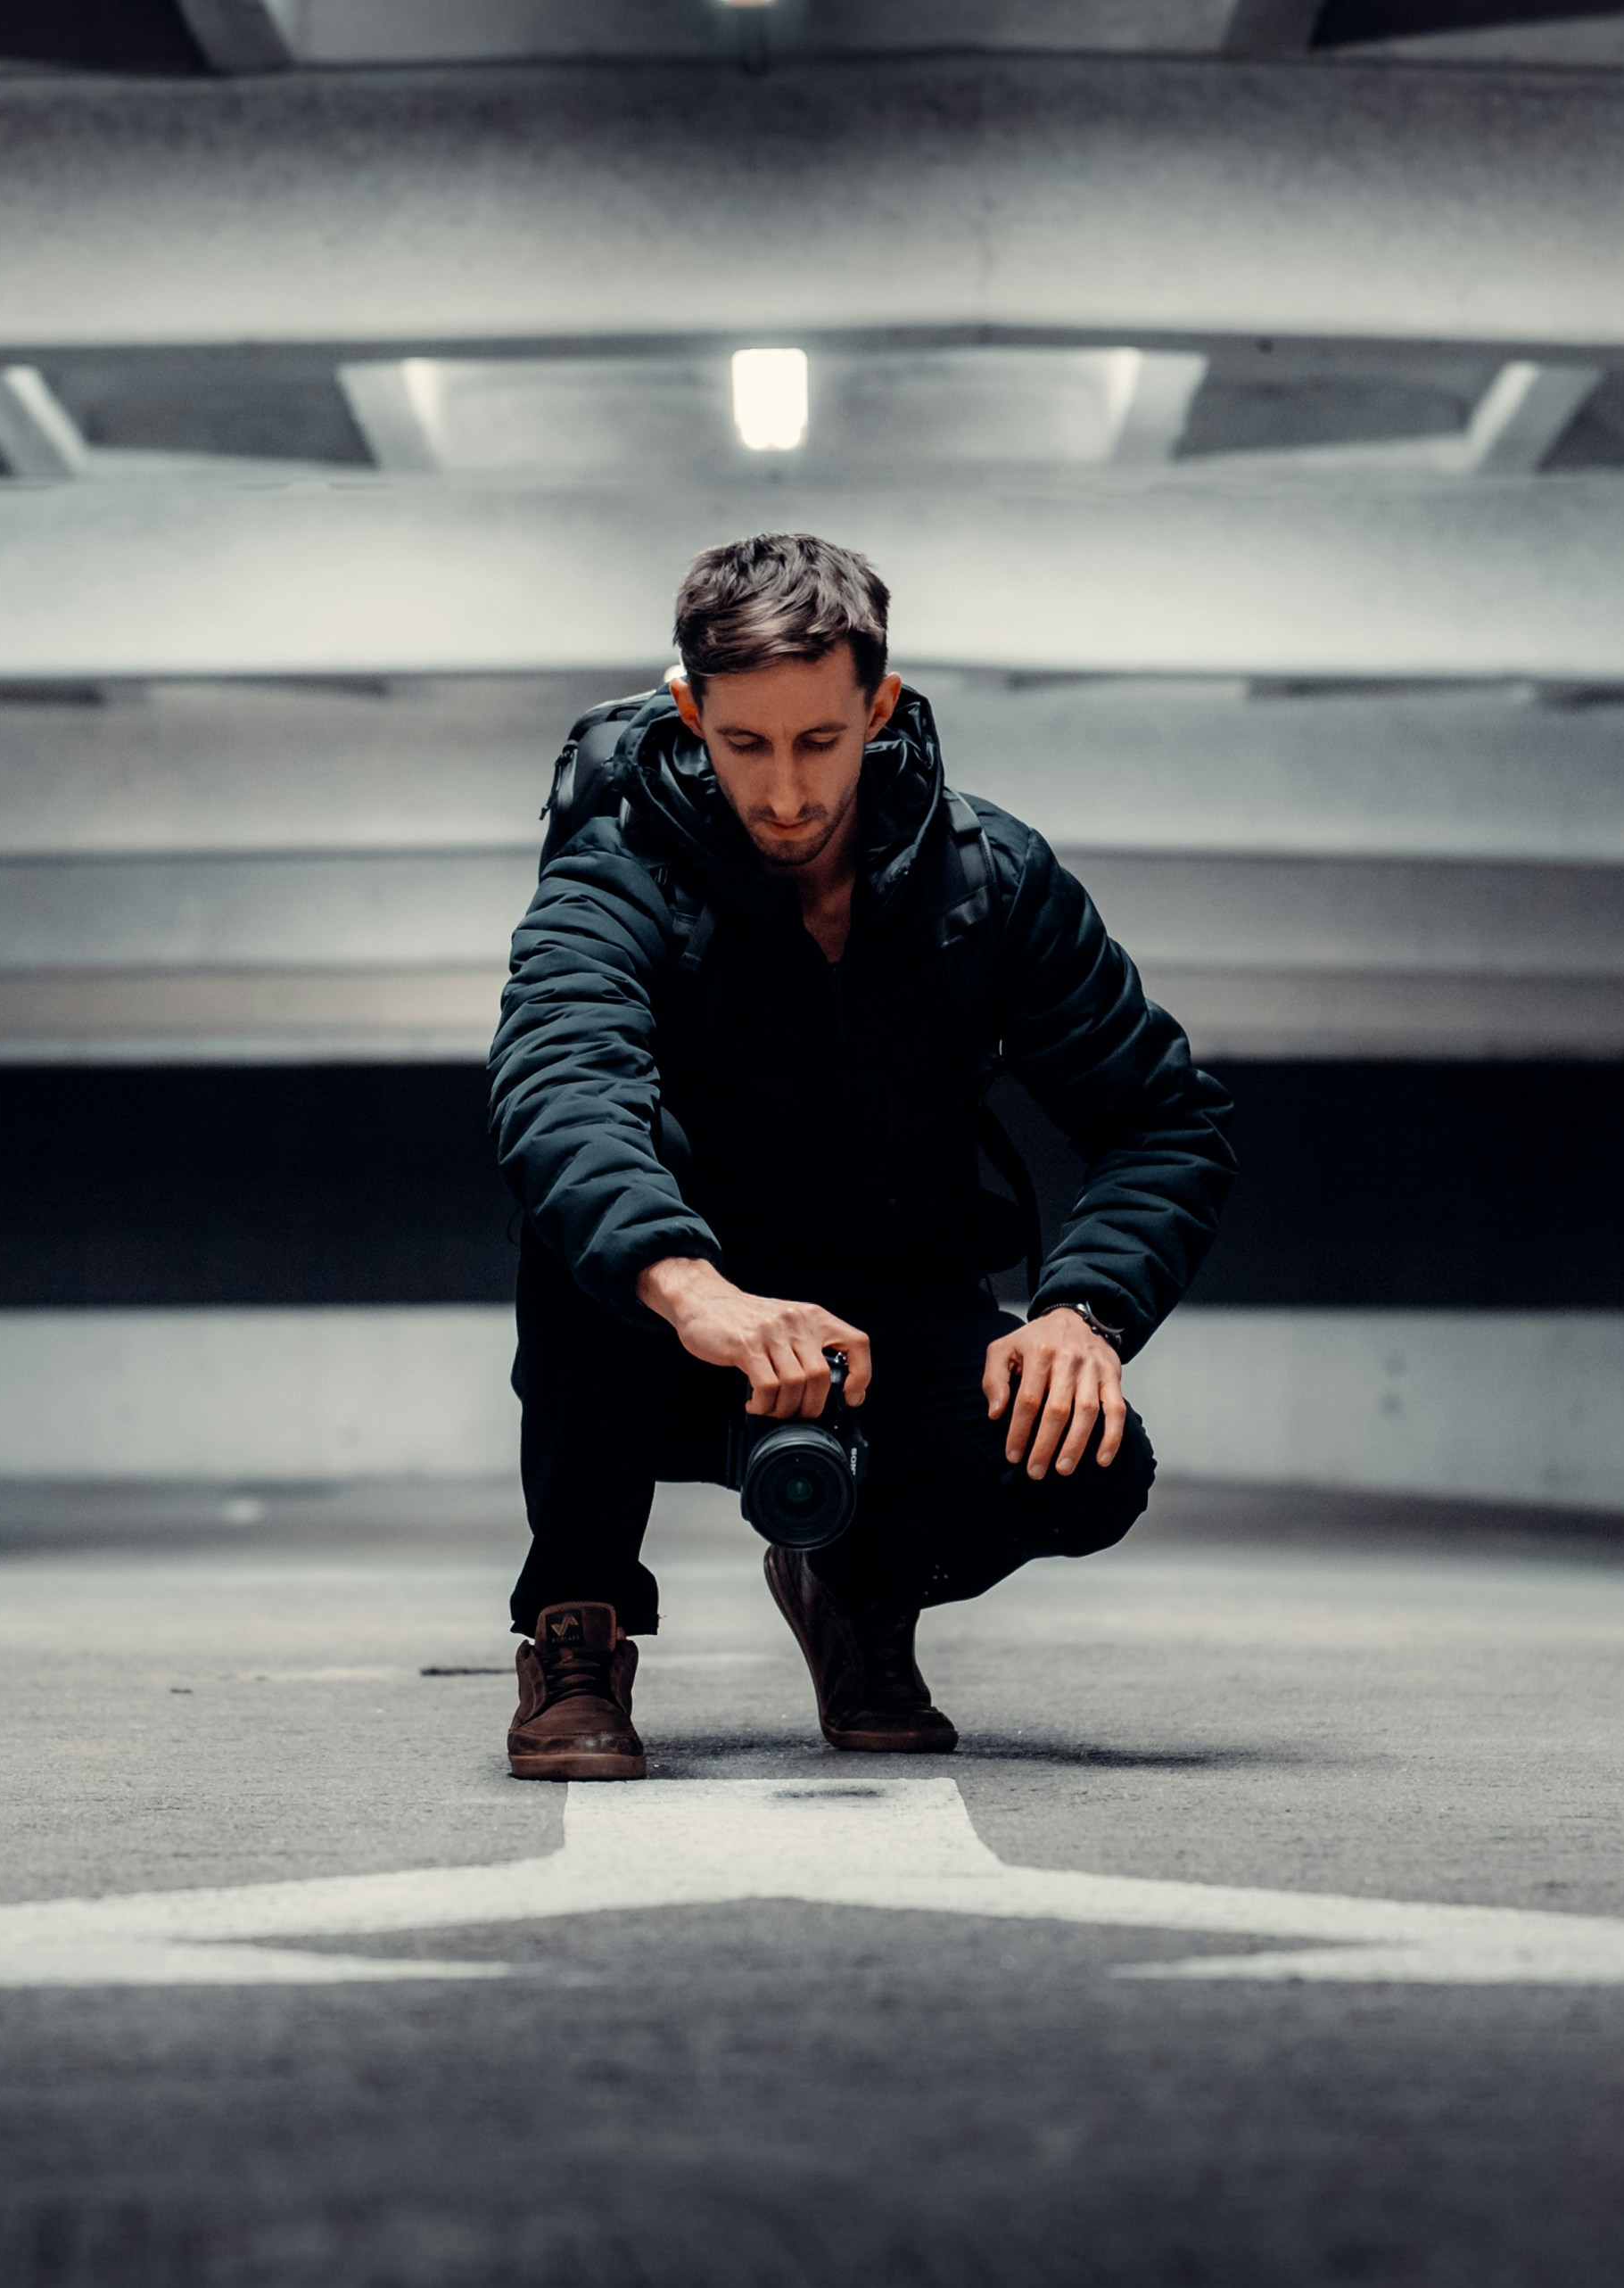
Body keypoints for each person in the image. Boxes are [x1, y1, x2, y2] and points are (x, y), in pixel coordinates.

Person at [490, 533, 1236, 1780]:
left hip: (891, 1328)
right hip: (684, 1343)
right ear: (691, 711)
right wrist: (694, 1291)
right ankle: (578, 1622)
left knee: (1091, 1466)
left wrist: (1084, 1316)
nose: (784, 793)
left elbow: (1165, 1119)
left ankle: (858, 1588)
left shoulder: (990, 879)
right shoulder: (616, 873)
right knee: (583, 1229)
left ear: (877, 707)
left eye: (819, 743)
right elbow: (558, 1082)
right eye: (746, 745)